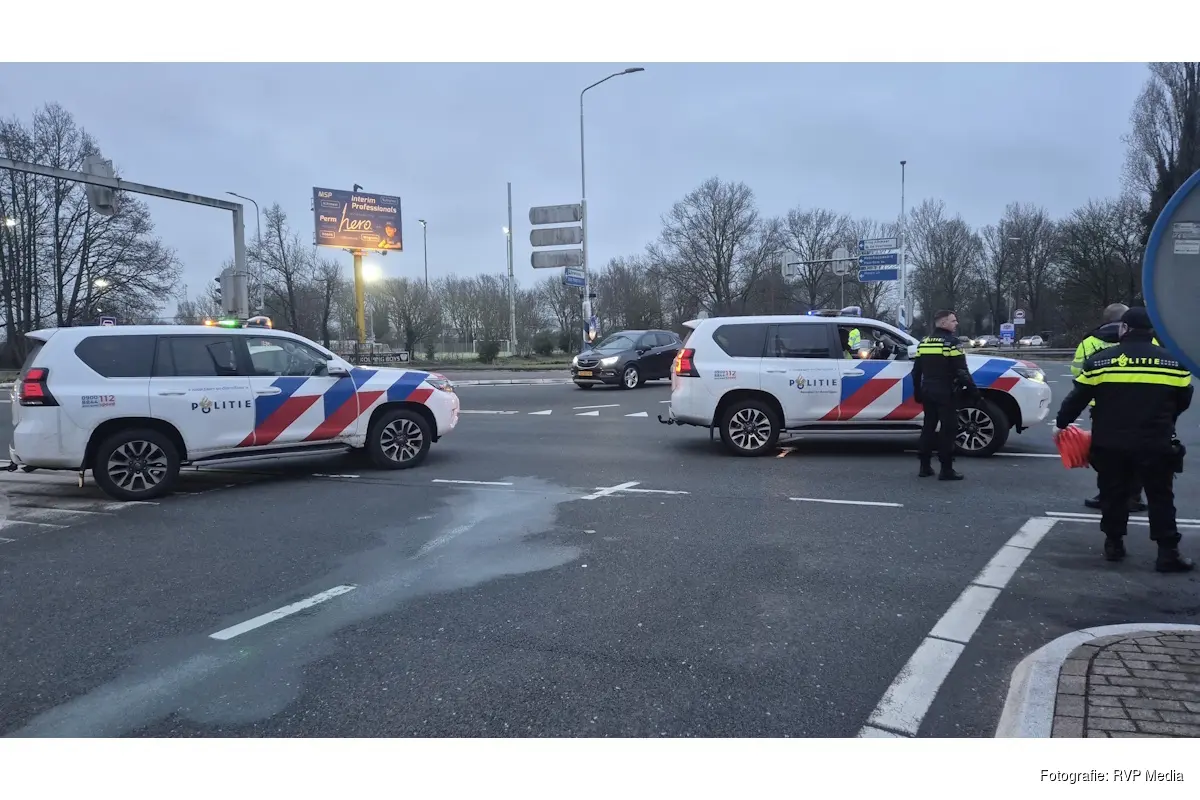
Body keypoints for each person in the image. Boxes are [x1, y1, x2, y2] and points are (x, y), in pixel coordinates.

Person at [1054, 307, 1194, 573]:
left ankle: (1114, 544)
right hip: (1155, 442)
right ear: (1152, 331)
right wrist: (1164, 418)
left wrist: (1061, 424)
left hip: (1110, 442)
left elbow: (1077, 398)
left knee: (1113, 494)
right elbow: (1183, 399)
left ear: (1124, 328)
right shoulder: (1174, 363)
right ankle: (1167, 552)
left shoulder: (1100, 362)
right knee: (1160, 496)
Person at [1071, 303, 1148, 513]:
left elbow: (1078, 373)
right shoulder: (1147, 340)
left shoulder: (1089, 343)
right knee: (1139, 452)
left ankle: (1107, 494)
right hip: (1142, 406)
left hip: (1103, 408)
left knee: (1105, 453)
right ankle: (1133, 496)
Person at [912, 309, 979, 481]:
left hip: (928, 390)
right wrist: (974, 392)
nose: (956, 323)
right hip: (946, 392)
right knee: (948, 429)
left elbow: (916, 371)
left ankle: (924, 467)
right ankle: (946, 469)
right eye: (953, 320)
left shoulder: (924, 343)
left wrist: (917, 391)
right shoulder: (951, 343)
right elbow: (961, 371)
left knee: (928, 427)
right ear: (943, 323)